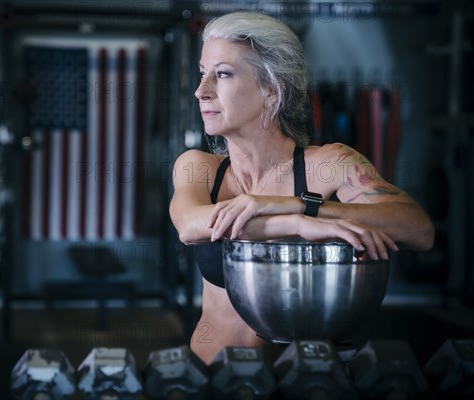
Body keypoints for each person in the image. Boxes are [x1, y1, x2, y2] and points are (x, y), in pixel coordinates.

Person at [169, 11, 434, 364]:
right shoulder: (198, 168)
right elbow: (190, 227)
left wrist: (302, 206)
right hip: (218, 379)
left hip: (308, 380)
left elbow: (419, 229)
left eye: (223, 75)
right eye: (203, 75)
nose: (202, 91)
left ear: (271, 89)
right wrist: (296, 225)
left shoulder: (328, 165)